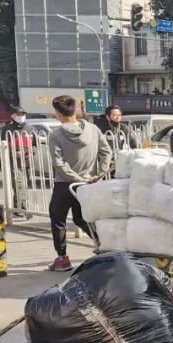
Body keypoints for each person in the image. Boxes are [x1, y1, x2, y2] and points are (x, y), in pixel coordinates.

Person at [47, 95, 111, 272]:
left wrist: (75, 177)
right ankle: (105, 246)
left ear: (58, 113)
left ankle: (62, 258)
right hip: (89, 182)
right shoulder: (92, 129)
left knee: (58, 218)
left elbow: (58, 163)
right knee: (84, 218)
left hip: (65, 184)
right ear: (74, 110)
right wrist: (100, 173)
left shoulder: (56, 135)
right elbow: (106, 152)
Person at [0, 108, 33, 215]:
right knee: (18, 184)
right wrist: (14, 153)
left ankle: (16, 205)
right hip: (12, 162)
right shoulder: (7, 129)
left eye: (23, 114)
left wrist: (27, 153)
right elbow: (2, 146)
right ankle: (22, 208)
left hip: (26, 162)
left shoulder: (30, 129)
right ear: (13, 116)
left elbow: (35, 146)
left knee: (25, 184)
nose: (21, 116)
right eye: (18, 114)